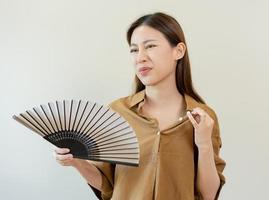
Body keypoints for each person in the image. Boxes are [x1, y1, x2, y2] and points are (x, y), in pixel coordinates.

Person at [54, 12, 226, 200]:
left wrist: (204, 143)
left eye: (150, 46)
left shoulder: (203, 118)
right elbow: (108, 186)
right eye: (134, 50)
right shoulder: (118, 112)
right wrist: (76, 161)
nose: (140, 57)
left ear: (178, 51)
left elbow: (208, 195)